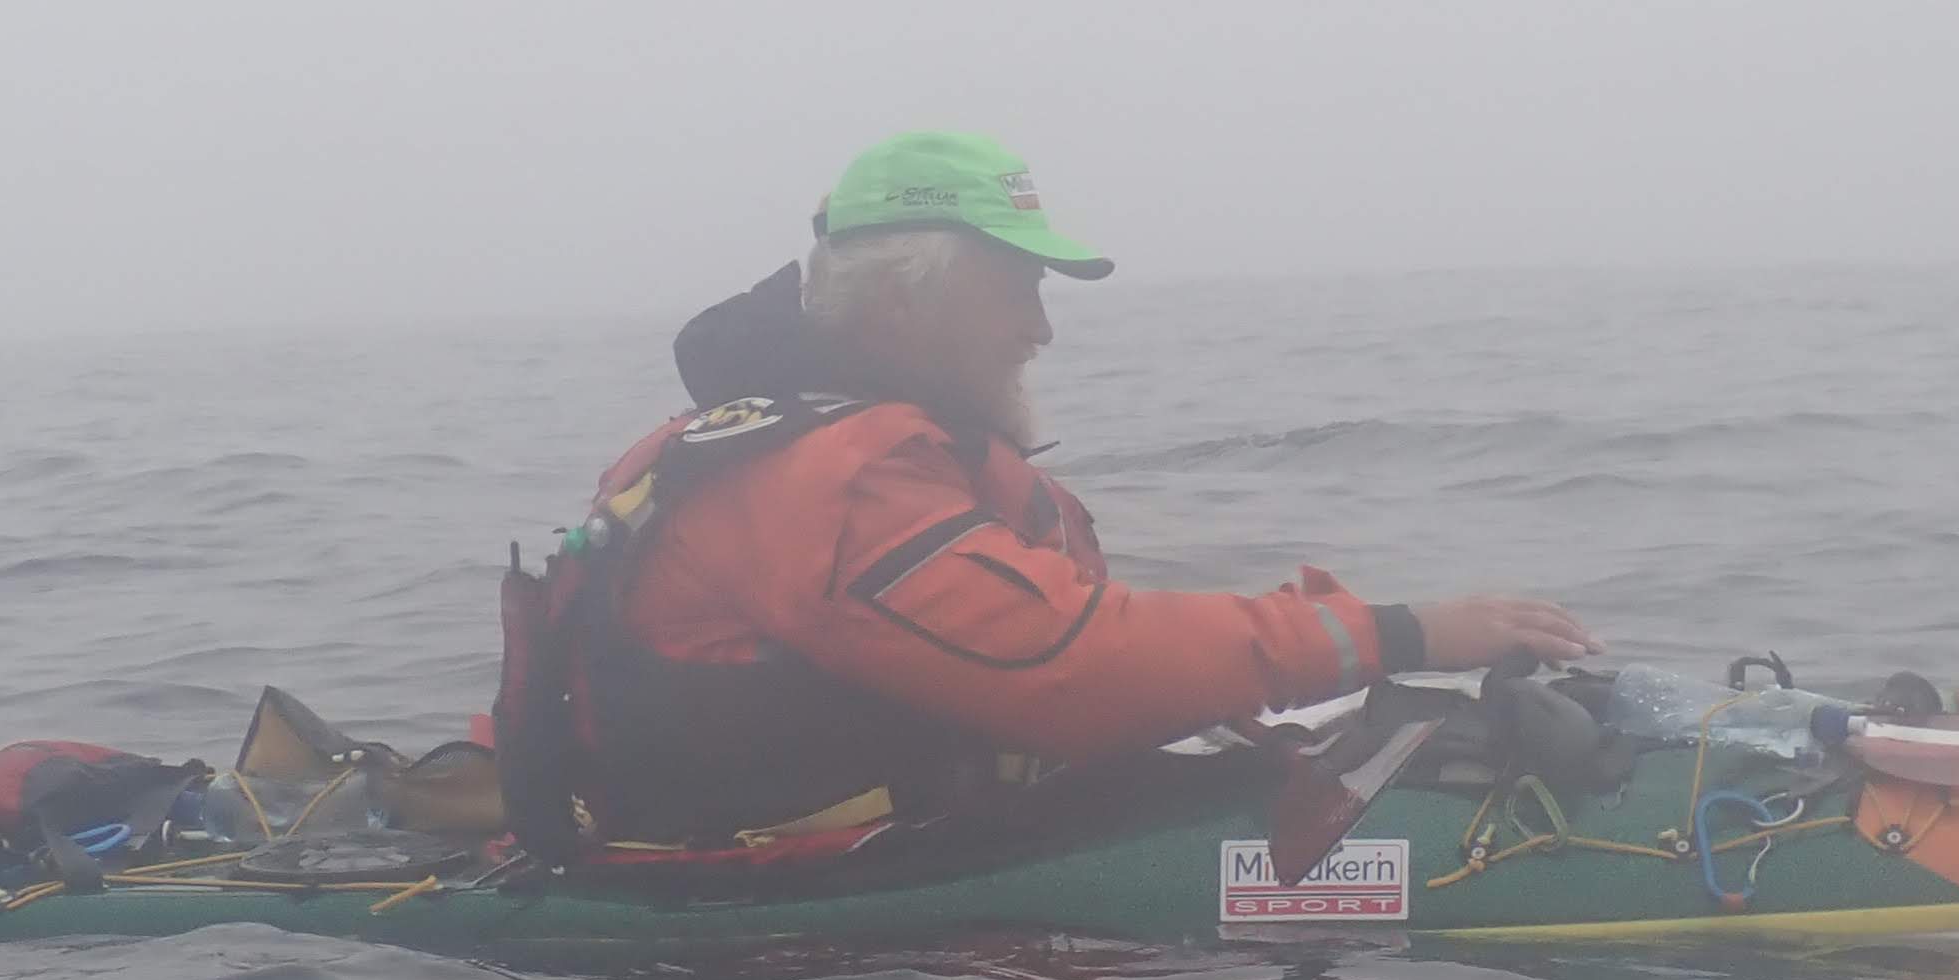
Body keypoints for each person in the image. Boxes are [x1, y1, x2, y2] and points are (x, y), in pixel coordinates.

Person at [499, 130, 1597, 848]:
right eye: (1014, 287)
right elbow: (1070, 667)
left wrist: (1282, 691)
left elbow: (1066, 649)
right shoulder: (827, 481)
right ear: (901, 306)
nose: (1040, 329)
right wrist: (1397, 634)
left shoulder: (840, 450)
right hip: (810, 976)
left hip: (922, 869)